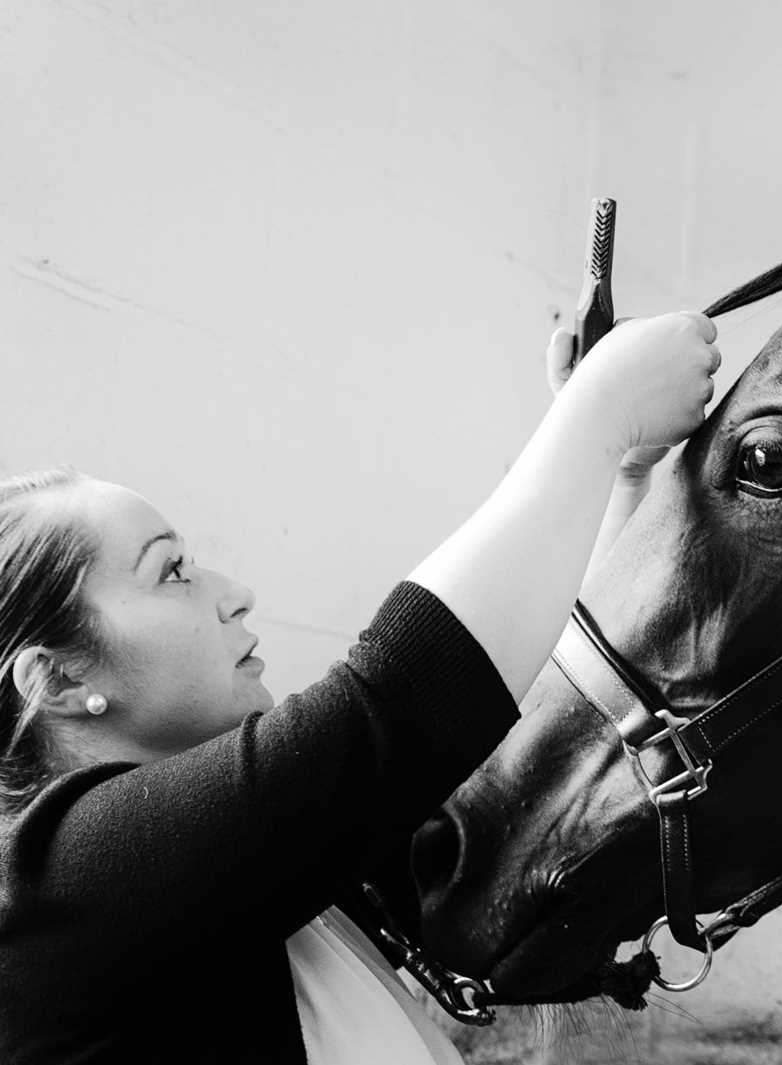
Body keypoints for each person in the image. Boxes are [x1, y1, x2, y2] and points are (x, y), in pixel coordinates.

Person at [0, 312, 721, 1064]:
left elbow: (522, 720)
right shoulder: (61, 882)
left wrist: (617, 470)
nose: (234, 593)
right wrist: (598, 413)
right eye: (170, 571)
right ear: (57, 676)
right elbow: (397, 707)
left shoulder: (260, 870)